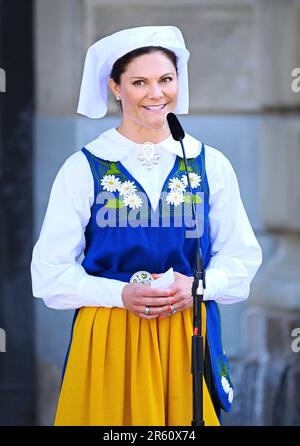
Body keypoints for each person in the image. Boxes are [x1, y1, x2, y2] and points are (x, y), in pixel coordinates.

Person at [30, 26, 262, 426]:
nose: (157, 93)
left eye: (165, 79)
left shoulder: (209, 163)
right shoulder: (84, 167)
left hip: (186, 333)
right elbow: (49, 274)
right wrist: (119, 294)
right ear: (116, 88)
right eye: (140, 81)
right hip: (109, 337)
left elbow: (241, 257)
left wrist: (198, 287)